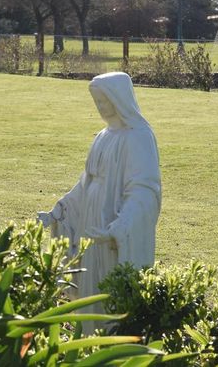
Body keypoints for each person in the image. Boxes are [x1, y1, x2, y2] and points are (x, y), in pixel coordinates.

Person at [38, 71, 162, 309]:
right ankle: (88, 328)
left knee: (108, 278)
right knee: (90, 279)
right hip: (90, 218)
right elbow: (85, 185)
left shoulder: (139, 136)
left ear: (119, 99)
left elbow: (143, 190)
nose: (100, 106)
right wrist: (58, 212)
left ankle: (111, 328)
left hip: (111, 219)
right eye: (97, 101)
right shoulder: (103, 136)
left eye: (104, 100)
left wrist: (121, 227)